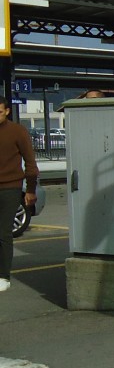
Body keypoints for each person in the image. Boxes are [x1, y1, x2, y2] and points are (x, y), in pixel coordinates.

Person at [0, 100, 39, 292]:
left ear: (6, 111)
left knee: (3, 232)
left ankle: (3, 276)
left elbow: (30, 163)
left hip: (9, 187)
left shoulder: (18, 131)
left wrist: (30, 190)